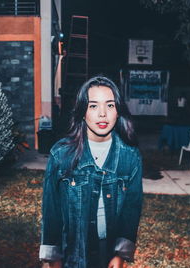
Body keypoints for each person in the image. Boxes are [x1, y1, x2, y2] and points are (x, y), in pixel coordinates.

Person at [39, 76, 143, 268]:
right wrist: (53, 258)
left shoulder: (130, 157)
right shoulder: (61, 155)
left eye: (110, 105)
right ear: (82, 112)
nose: (102, 114)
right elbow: (51, 212)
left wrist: (121, 254)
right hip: (72, 251)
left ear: (118, 111)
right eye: (93, 106)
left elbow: (132, 210)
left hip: (109, 251)